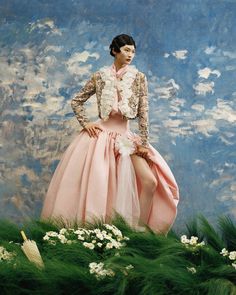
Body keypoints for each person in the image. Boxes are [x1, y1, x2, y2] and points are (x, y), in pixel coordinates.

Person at [40, 34, 179, 234]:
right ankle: (98, 233)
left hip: (126, 138)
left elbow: (143, 113)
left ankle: (139, 232)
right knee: (100, 186)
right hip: (100, 138)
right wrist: (86, 123)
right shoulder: (99, 76)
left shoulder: (139, 78)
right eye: (126, 50)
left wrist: (144, 143)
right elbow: (76, 101)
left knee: (150, 182)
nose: (131, 54)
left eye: (133, 51)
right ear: (115, 51)